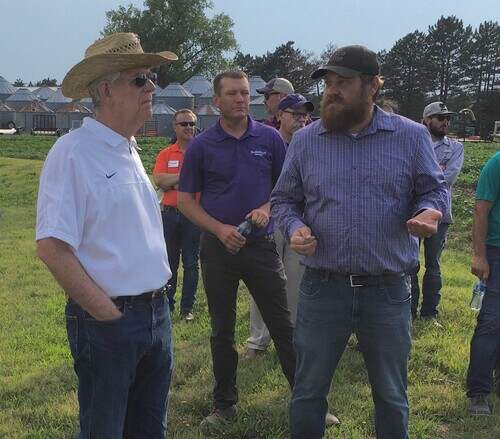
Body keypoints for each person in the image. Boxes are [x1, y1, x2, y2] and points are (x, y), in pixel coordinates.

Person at [271, 45, 448, 439]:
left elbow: (434, 192)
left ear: (372, 85)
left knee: (390, 394)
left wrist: (429, 213)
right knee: (308, 392)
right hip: (322, 287)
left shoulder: (410, 136)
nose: (332, 92)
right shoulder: (306, 141)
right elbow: (284, 200)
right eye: (329, 83)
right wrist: (294, 226)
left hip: (386, 291)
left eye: (343, 83)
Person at [35, 33, 177, 438]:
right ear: (104, 89)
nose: (151, 87)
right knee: (104, 431)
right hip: (111, 321)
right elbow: (52, 246)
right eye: (139, 79)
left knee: (150, 430)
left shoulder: (127, 148)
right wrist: (105, 312)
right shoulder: (73, 152)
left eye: (151, 77)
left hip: (155, 315)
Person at [176, 70, 297, 433]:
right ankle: (224, 403)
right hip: (218, 248)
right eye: (231, 94)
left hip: (260, 245)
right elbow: (184, 201)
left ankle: (309, 400)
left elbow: (286, 189)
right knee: (222, 330)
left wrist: (266, 209)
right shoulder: (202, 145)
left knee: (283, 324)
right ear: (217, 101)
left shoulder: (271, 139)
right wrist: (219, 229)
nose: (240, 99)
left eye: (244, 93)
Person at [246, 94, 314, 357]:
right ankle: (258, 340)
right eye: (295, 114)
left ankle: (292, 338)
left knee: (295, 282)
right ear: (280, 115)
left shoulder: (311, 145)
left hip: (299, 223)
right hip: (268, 223)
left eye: (304, 115)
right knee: (264, 282)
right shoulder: (264, 143)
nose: (301, 119)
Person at [410, 102, 464, 326]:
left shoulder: (455, 147)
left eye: (447, 118)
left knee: (433, 265)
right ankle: (408, 309)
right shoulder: (413, 142)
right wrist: (433, 172)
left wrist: (422, 175)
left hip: (440, 215)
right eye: (440, 118)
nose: (445, 122)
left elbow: (448, 178)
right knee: (410, 263)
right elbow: (408, 175)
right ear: (427, 120)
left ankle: (430, 312)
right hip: (412, 214)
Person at [153, 109, 200, 321]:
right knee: (169, 262)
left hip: (194, 215)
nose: (189, 127)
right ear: (175, 127)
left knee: (191, 263)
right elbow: (159, 181)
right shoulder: (166, 154)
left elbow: (204, 181)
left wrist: (174, 181)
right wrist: (185, 177)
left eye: (192, 124)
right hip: (170, 215)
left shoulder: (202, 153)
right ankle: (168, 305)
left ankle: (187, 309)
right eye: (184, 124)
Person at [467, 151, 500, 415]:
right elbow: (481, 209)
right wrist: (479, 255)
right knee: (491, 322)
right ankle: (479, 392)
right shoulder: (497, 163)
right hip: (497, 252)